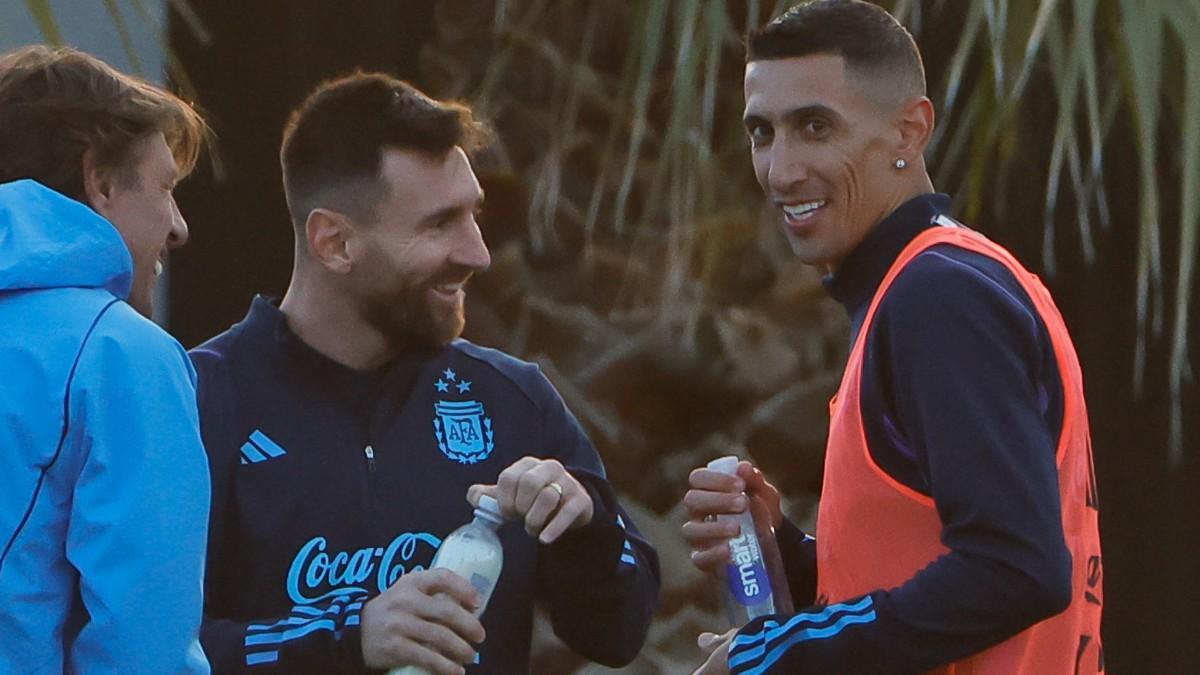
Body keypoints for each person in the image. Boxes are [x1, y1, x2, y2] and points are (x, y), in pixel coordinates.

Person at [680, 1, 1103, 673]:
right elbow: (934, 572)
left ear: (910, 130)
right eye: (762, 133)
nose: (781, 170)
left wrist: (778, 653)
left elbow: (1018, 567)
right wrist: (786, 551)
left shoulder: (936, 296)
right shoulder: (949, 277)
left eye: (815, 127)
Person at [190, 71, 660, 674]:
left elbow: (621, 632)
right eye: (439, 224)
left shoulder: (512, 402)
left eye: (473, 215)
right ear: (334, 243)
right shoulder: (198, 401)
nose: (477, 253)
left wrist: (586, 527)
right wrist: (348, 637)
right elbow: (141, 654)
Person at [0, 46, 211, 673]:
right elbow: (145, 650)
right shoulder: (122, 353)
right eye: (166, 187)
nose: (179, 227)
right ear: (100, 182)